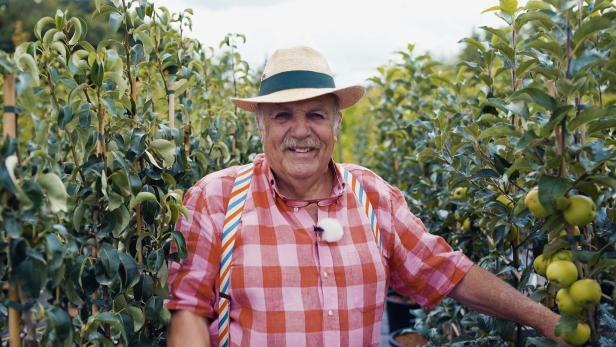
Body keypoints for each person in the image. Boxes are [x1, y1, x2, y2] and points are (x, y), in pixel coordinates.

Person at [165, 46, 565, 346]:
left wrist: (547, 321)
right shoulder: (216, 198)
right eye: (283, 115)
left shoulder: (372, 195)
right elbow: (190, 311)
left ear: (337, 124)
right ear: (261, 127)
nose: (300, 131)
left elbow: (447, 272)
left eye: (316, 115)